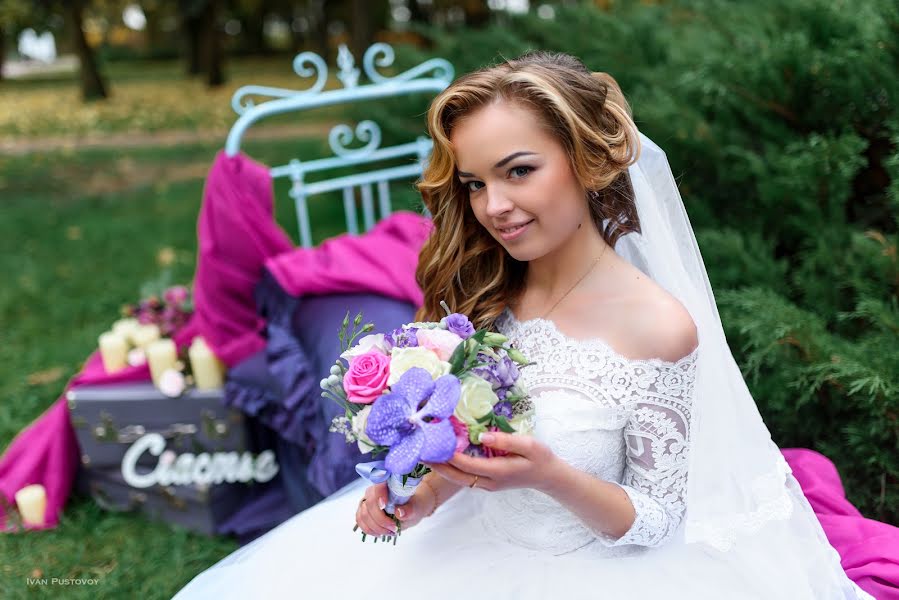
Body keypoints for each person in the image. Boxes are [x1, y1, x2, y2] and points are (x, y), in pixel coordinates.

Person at [174, 51, 871, 599]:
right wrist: (425, 492)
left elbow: (654, 520)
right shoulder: (485, 297)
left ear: (588, 161)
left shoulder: (658, 327)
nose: (493, 206)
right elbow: (473, 454)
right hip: (470, 548)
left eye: (517, 171)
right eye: (475, 183)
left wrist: (548, 476)